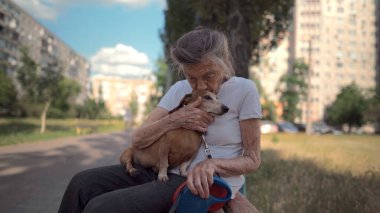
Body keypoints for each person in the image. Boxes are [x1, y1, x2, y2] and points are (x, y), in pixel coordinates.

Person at [58, 27, 262, 213]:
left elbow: (253, 160)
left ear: (224, 64)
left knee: (100, 208)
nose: (201, 85)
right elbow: (138, 140)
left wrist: (213, 165)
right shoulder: (179, 90)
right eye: (192, 77)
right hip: (159, 169)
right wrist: (175, 119)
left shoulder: (244, 90)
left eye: (208, 75)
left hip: (194, 181)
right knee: (81, 184)